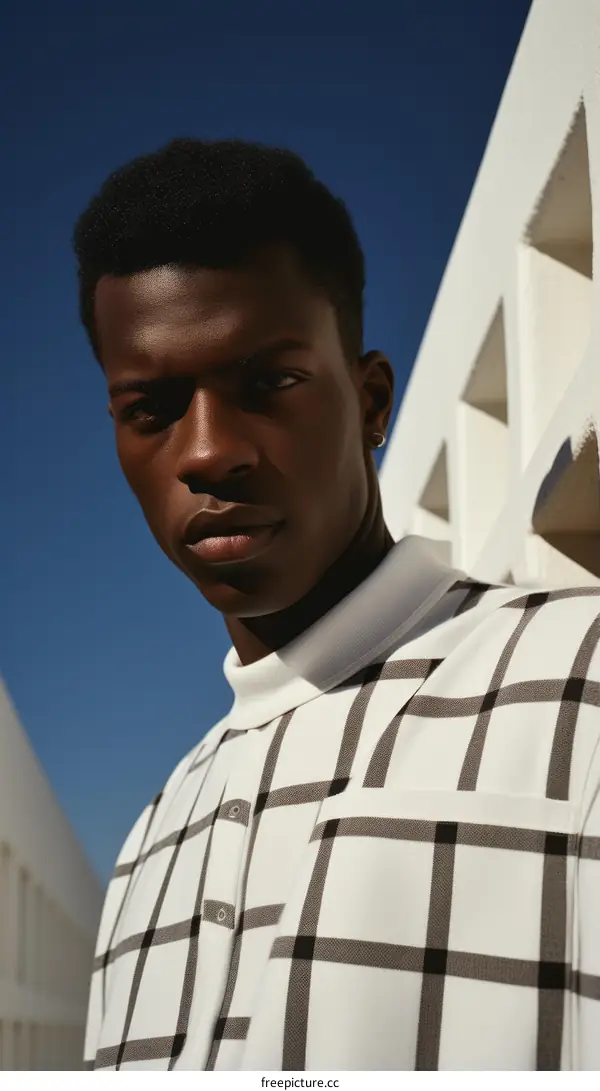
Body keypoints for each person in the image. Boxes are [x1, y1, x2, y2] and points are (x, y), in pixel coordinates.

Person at [74, 138, 600, 1072]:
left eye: (266, 383)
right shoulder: (145, 848)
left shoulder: (578, 676)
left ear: (371, 402)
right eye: (150, 408)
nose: (206, 452)